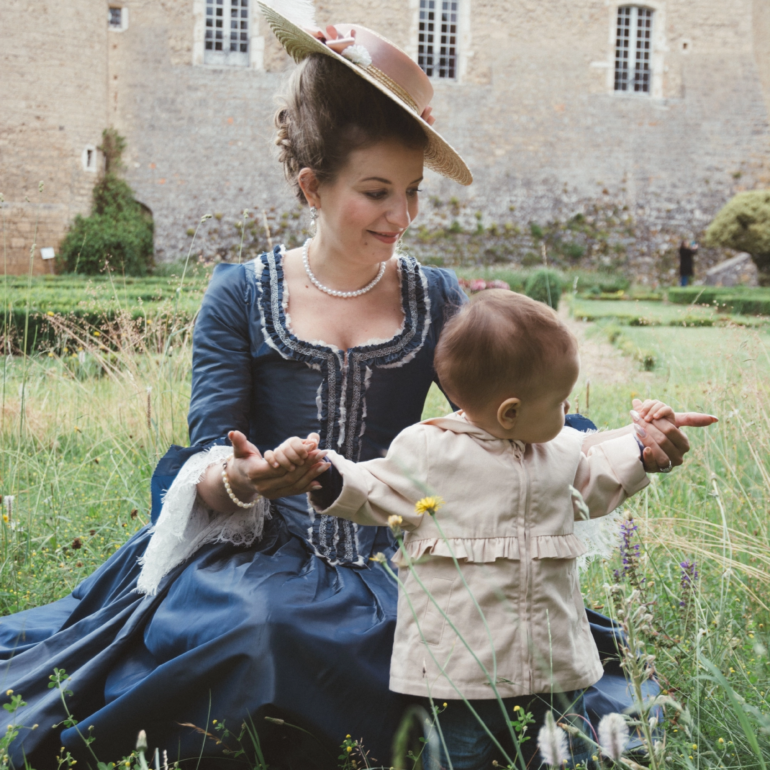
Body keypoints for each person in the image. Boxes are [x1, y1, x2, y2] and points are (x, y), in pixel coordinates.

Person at [0, 4, 704, 767]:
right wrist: (248, 476)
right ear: (312, 186)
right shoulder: (239, 294)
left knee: (476, 639)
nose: (401, 215)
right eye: (377, 192)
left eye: (413, 192)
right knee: (260, 630)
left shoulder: (435, 296)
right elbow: (204, 461)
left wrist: (633, 445)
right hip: (260, 557)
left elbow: (519, 416)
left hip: (401, 552)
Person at [269, 291, 717, 769]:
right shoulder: (430, 451)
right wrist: (328, 472)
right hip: (464, 670)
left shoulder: (559, 451)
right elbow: (377, 485)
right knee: (457, 755)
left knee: (561, 752)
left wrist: (643, 448)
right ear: (510, 412)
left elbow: (596, 476)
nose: (569, 410)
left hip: (553, 660)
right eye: (560, 402)